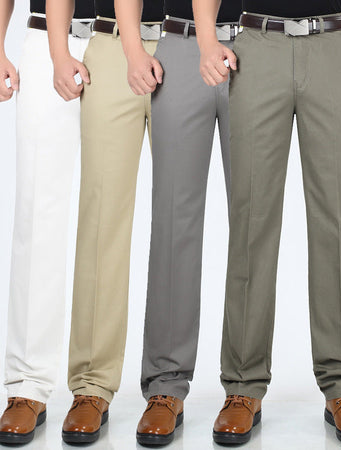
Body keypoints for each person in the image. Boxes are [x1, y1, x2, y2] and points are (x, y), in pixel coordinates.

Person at [194, 0, 341, 445]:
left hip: (332, 48)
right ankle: (242, 385)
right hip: (258, 47)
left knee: (336, 221)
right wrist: (207, 40)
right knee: (251, 219)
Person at [115, 0, 240, 445]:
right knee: (173, 220)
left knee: (251, 222)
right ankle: (165, 385)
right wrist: (133, 50)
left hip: (258, 45)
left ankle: (244, 387)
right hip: (182, 47)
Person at [47, 0, 163, 444]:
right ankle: (91, 385)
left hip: (189, 42)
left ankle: (167, 386)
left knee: (178, 222)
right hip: (113, 48)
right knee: (102, 220)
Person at [0, 0, 94, 445]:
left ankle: (95, 386)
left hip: (125, 39)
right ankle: (26, 386)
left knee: (113, 216)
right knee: (38, 215)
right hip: (45, 40)